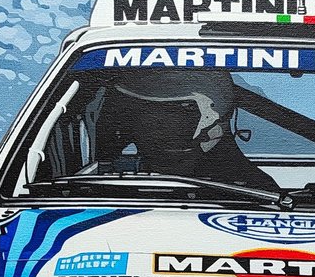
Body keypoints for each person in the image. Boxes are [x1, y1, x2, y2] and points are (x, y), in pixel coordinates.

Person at [96, 69, 279, 191]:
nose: (152, 125)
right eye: (141, 113)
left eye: (170, 113)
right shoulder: (98, 182)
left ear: (210, 123)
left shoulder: (256, 192)